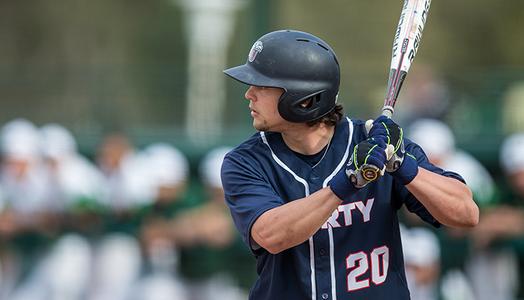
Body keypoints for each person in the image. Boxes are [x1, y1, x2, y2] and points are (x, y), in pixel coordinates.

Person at [221, 29, 479, 300]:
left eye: (262, 86)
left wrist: (403, 165)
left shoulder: (376, 143)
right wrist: (347, 183)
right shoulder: (245, 161)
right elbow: (271, 235)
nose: (249, 94)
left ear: (303, 98)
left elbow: (465, 213)